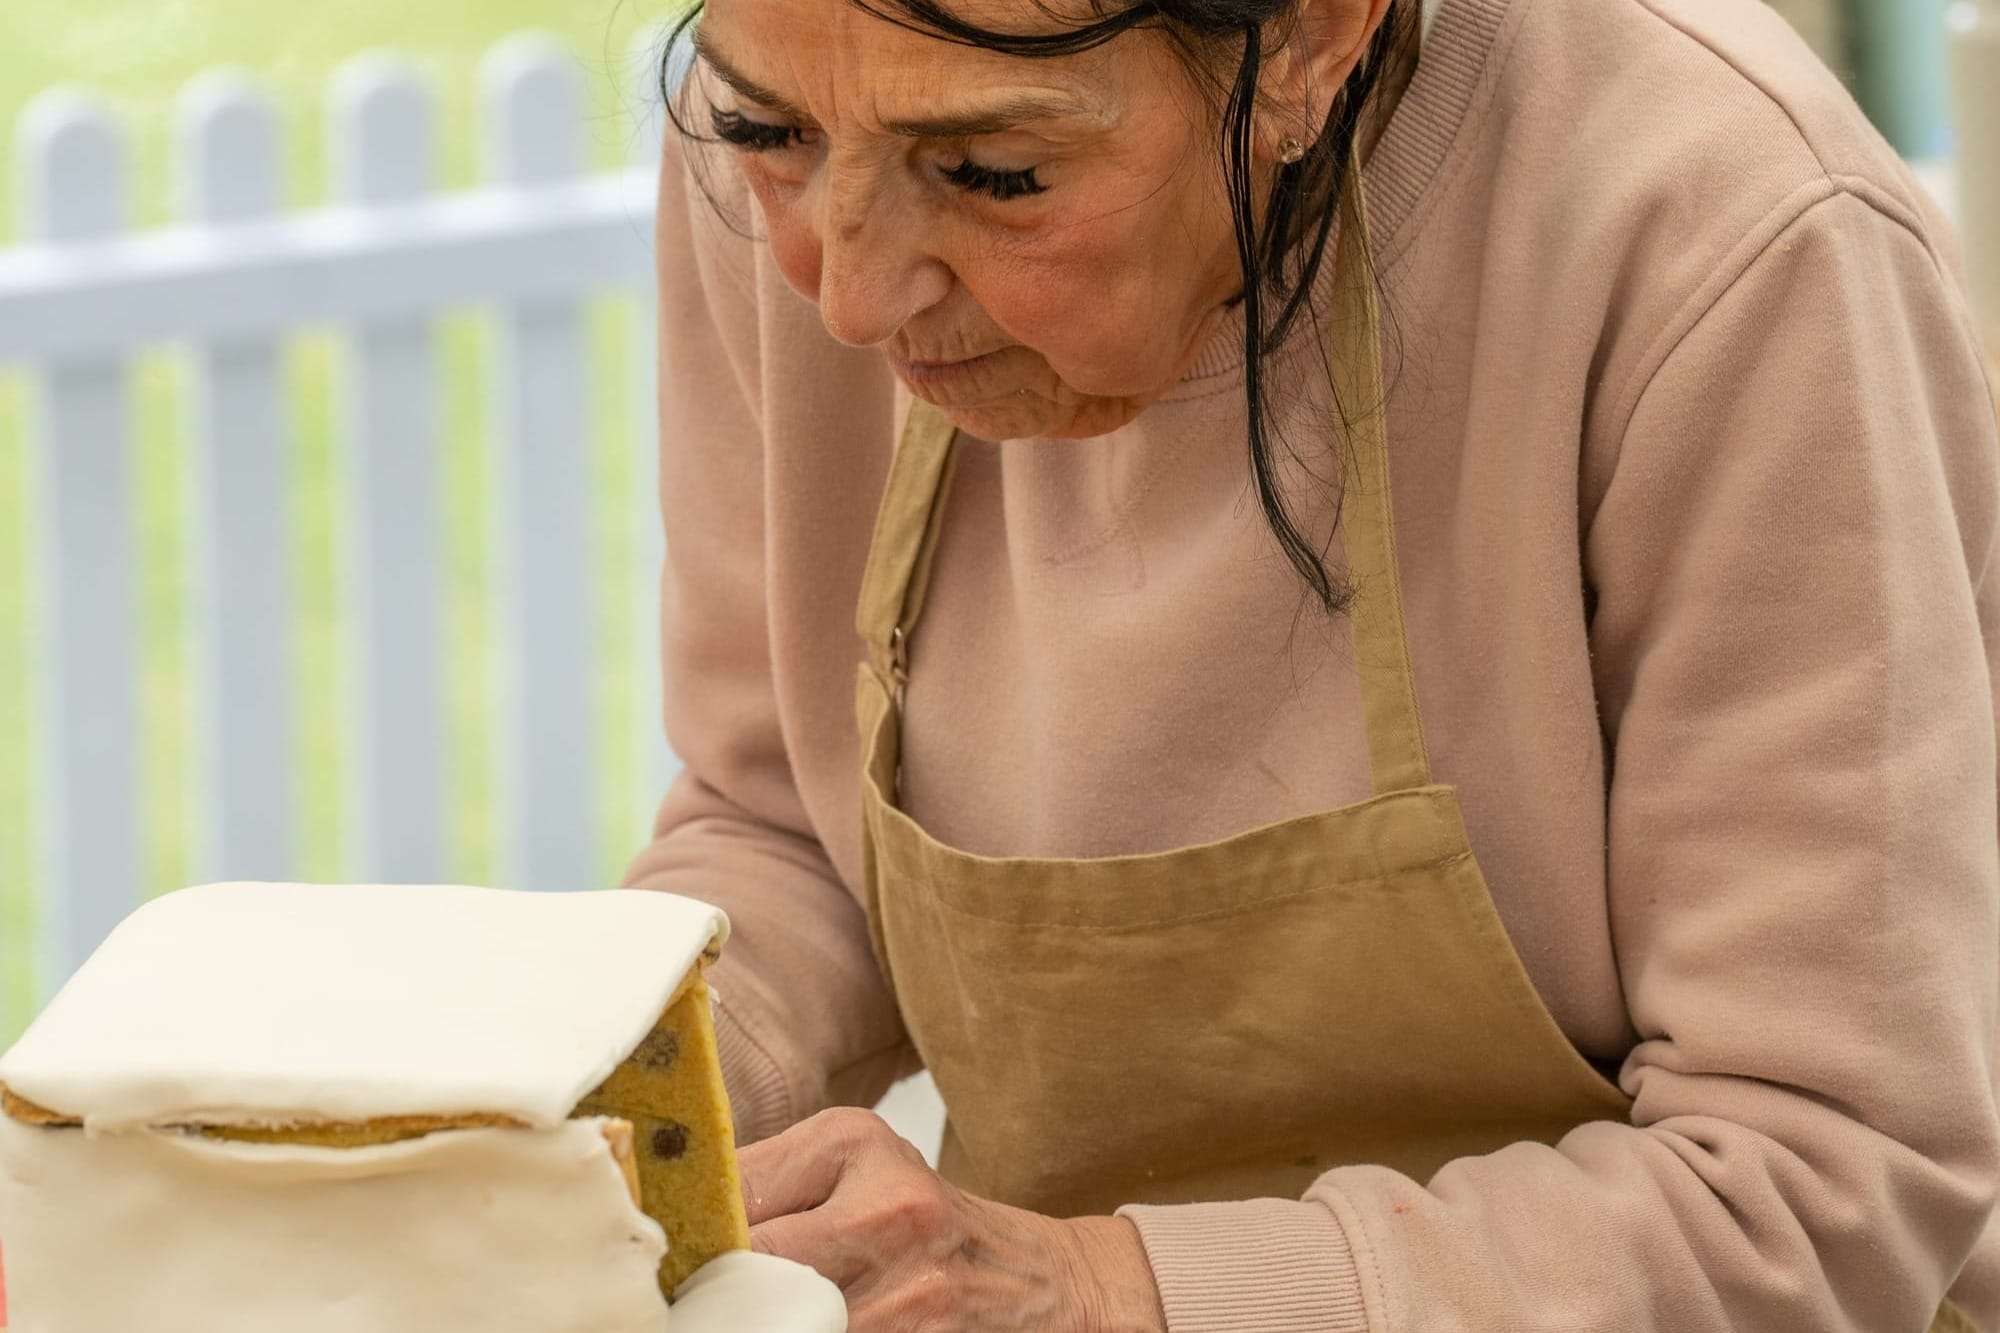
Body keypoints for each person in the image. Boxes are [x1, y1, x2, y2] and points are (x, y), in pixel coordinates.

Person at [622, 0, 2000, 1326]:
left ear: (1312, 36)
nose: (849, 298)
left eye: (997, 172)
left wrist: (1100, 1291)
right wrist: (613, 1083)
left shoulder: (1726, 230)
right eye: (767, 135)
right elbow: (785, 821)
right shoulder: (818, 107)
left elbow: (1821, 1189)